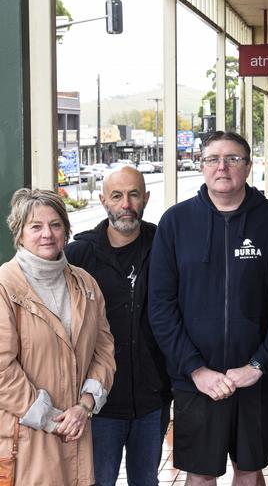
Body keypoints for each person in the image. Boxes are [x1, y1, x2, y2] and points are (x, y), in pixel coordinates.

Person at [148, 131, 268, 486]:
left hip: (256, 379)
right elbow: (161, 307)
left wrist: (259, 364)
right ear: (201, 166)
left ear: (249, 167)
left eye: (233, 159)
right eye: (213, 159)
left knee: (250, 471)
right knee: (199, 475)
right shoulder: (176, 223)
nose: (222, 167)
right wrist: (195, 370)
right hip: (196, 381)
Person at [0, 188, 115, 485]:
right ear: (19, 233)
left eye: (55, 224)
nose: (47, 234)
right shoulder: (4, 286)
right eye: (35, 226)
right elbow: (2, 369)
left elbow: (103, 349)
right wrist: (52, 419)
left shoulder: (85, 283)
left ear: (66, 229)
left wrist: (85, 405)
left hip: (77, 433)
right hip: (25, 438)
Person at [65, 166, 171, 486]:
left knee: (146, 480)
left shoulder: (164, 247)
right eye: (117, 196)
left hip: (152, 400)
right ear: (103, 201)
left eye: (134, 194)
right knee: (98, 481)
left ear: (146, 198)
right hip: (99, 404)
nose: (126, 204)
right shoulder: (78, 255)